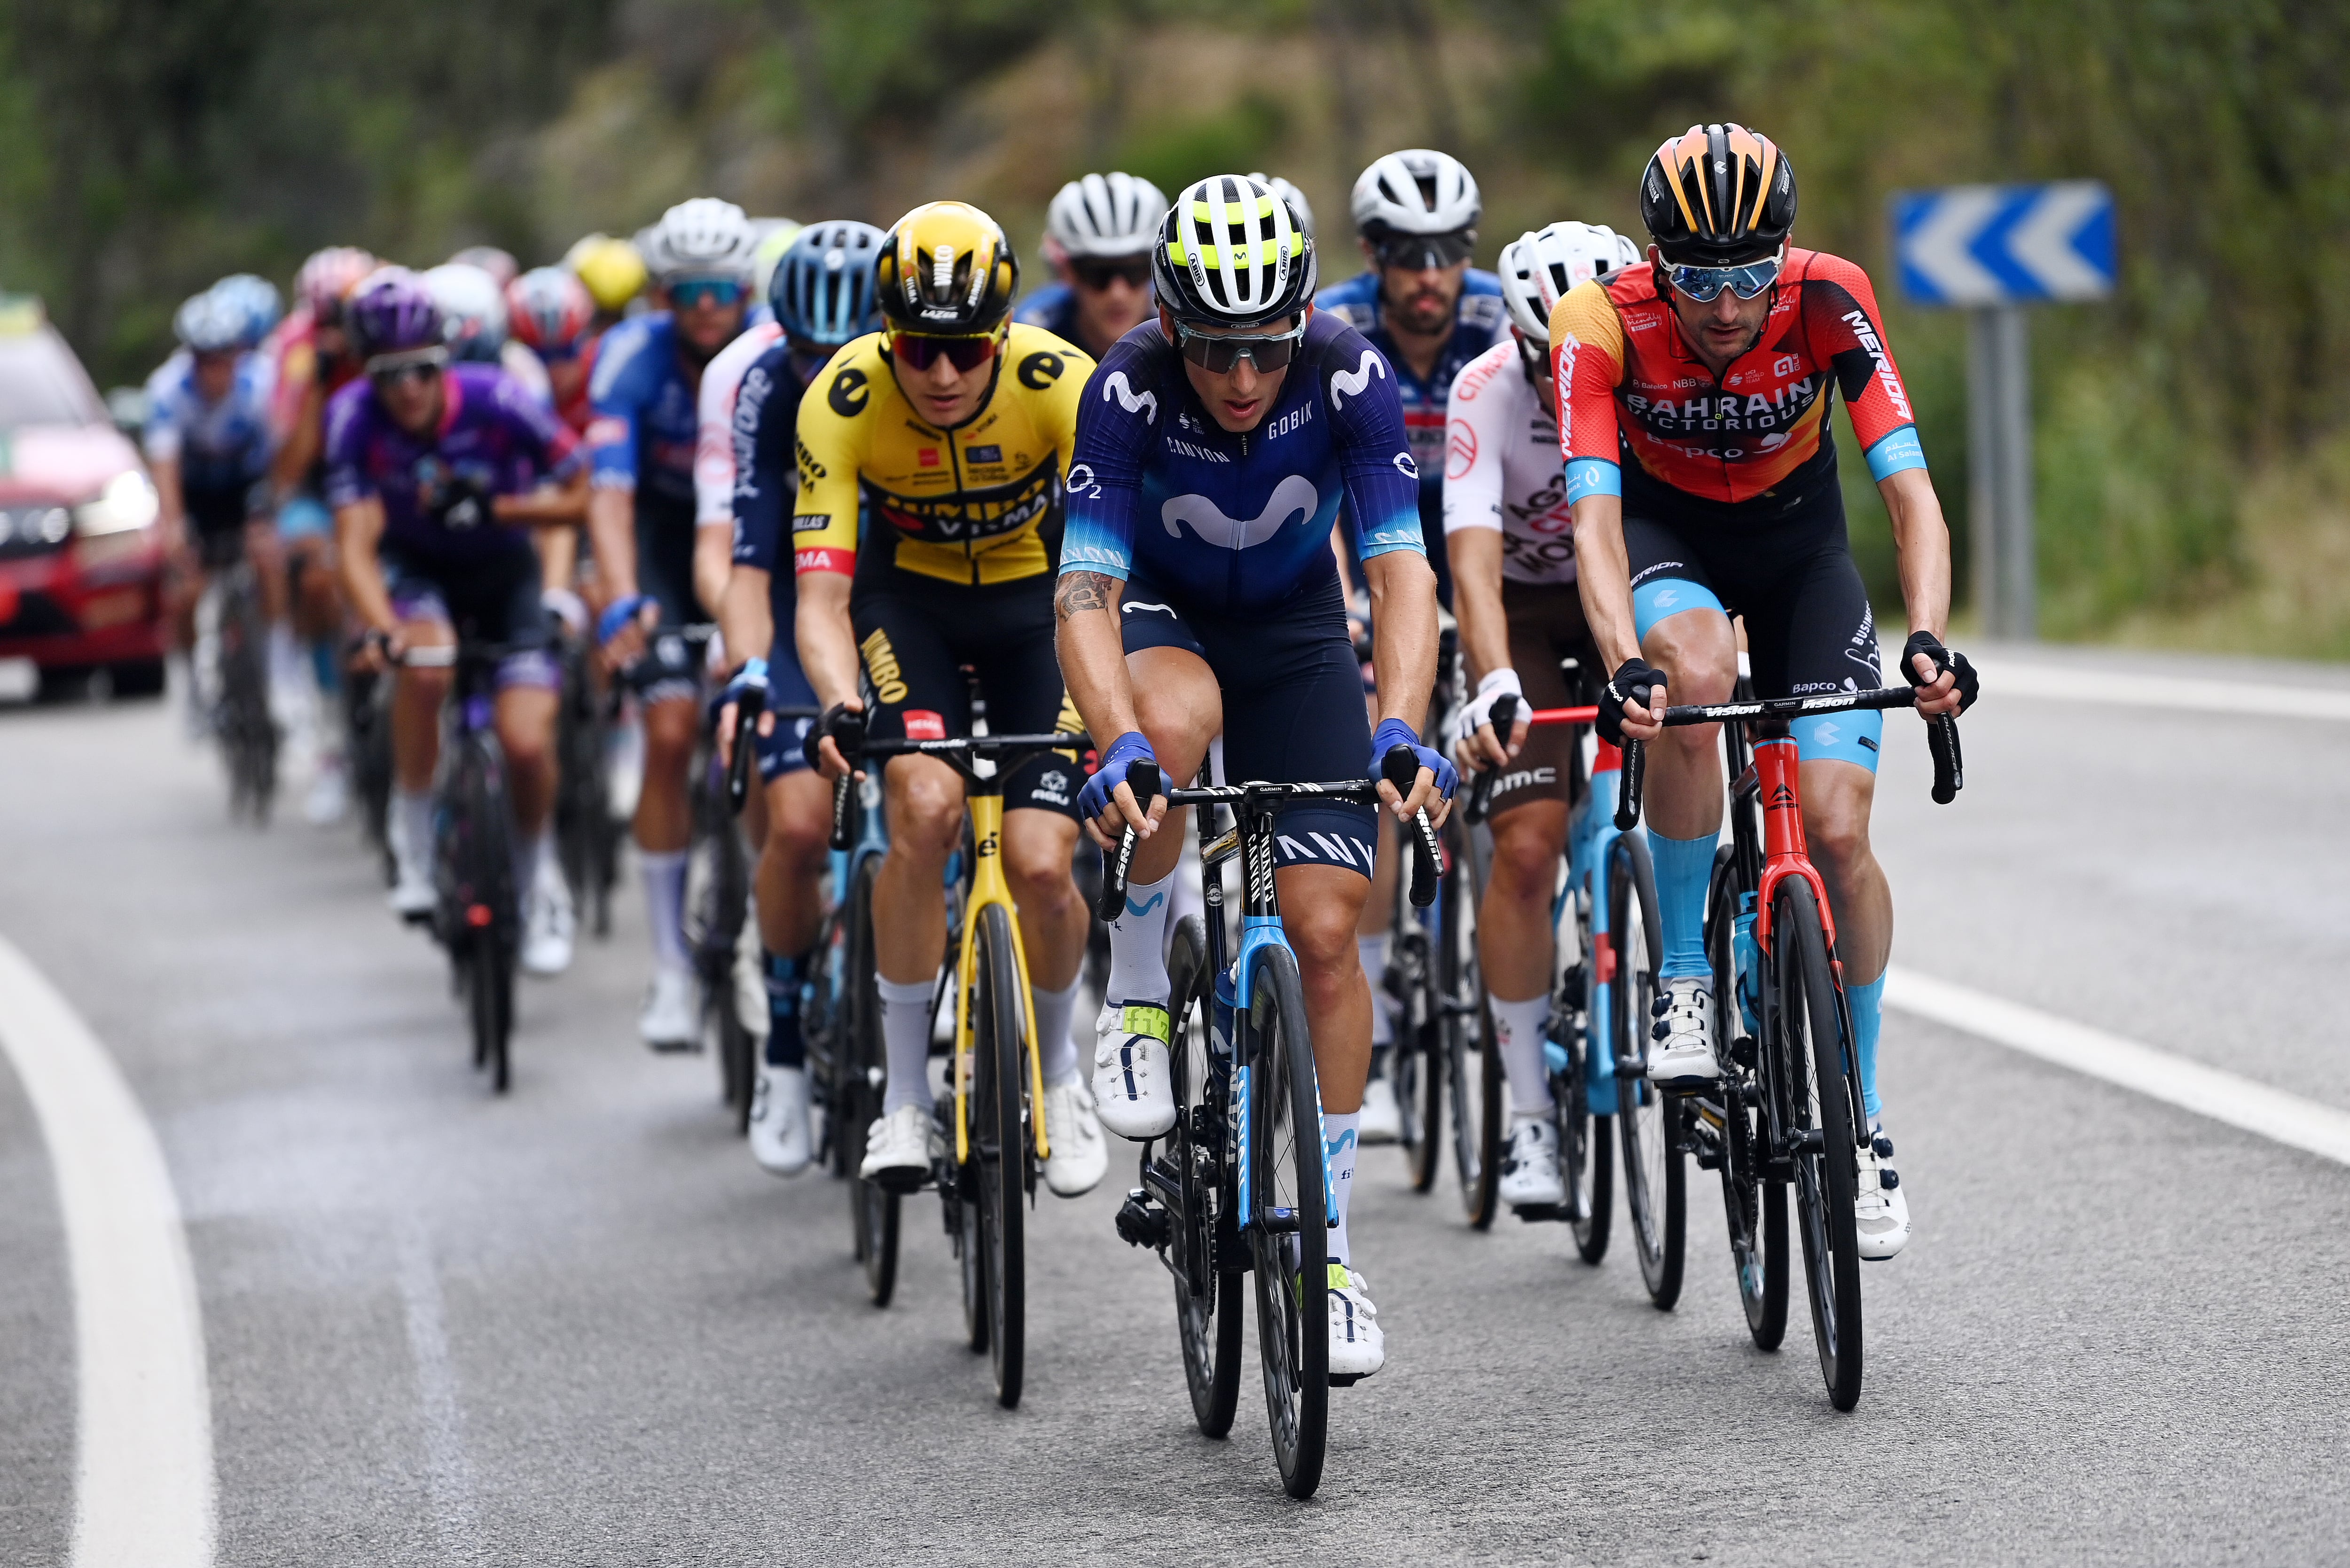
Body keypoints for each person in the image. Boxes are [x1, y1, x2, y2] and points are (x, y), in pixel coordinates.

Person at [1054, 174, 1455, 1380]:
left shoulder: (1346, 370)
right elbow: (1084, 589)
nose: (1241, 380)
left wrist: (1398, 722)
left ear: (1300, 323)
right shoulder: (1122, 385)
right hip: (1165, 616)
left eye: (1265, 349)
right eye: (1216, 351)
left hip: (1292, 628)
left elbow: (1402, 575)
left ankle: (1326, 1250)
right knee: (1172, 726)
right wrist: (1112, 730)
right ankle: (1132, 990)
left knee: (1328, 932)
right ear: (1173, 324)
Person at [1557, 123, 1976, 1260]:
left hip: (1802, 554)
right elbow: (1592, 520)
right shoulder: (1600, 320)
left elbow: (1910, 490)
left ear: (1783, 256)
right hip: (1667, 540)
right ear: (1657, 263)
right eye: (1699, 278)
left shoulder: (1830, 298)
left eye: (1751, 274)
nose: (1729, 304)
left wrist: (1928, 639)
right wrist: (1619, 663)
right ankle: (1686, 977)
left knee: (1839, 830)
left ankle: (1867, 1113)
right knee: (1695, 676)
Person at [795, 200, 1106, 1201]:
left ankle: (1060, 1074)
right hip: (909, 605)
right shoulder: (840, 399)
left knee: (1043, 862)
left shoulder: (1062, 385)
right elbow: (822, 596)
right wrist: (843, 702)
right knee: (922, 809)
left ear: (1002, 333)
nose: (940, 375)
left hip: (1040, 606)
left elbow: (1110, 571)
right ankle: (903, 1098)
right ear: (888, 335)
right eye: (918, 351)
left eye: (965, 351)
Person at [1444, 220, 1641, 1210]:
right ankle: (1528, 1120)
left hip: (1632, 592)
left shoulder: (1654, 373)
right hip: (1521, 609)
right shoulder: (1481, 388)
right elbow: (1472, 572)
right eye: (1543, 354)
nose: (1566, 376)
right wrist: (1491, 681)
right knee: (1525, 847)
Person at [1317, 148, 1507, 1140]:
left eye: (1445, 253)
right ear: (1374, 255)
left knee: (1499, 770)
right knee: (1377, 775)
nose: (1428, 275)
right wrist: (1351, 598)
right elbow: (1331, 478)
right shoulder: (1340, 325)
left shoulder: (1493, 315)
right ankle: (1383, 1033)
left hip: (1477, 546)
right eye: (1406, 255)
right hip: (1374, 548)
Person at [326, 273, 588, 979]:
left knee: (528, 745)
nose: (408, 389)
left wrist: (505, 513)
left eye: (422, 370)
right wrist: (382, 629)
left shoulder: (497, 398)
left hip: (505, 571)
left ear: (445, 360)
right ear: (366, 374)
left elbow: (582, 491)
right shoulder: (353, 417)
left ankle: (541, 885)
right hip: (417, 571)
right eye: (389, 375)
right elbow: (354, 543)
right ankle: (410, 832)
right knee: (426, 664)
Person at [703, 220, 883, 1175]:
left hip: (896, 597)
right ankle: (780, 1041)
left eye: (847, 352)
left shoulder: (922, 379)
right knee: (804, 826)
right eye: (810, 352)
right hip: (792, 592)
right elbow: (747, 559)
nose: (827, 373)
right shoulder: (765, 388)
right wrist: (746, 668)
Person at [587, 197, 760, 1048]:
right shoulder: (628, 362)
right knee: (666, 729)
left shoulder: (774, 345)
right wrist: (621, 596)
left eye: (719, 288)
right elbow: (610, 499)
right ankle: (668, 963)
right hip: (662, 547)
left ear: (746, 287)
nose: (703, 306)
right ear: (662, 295)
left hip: (753, 540)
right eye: (686, 291)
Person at [266, 247, 377, 823]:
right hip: (318, 485)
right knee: (312, 574)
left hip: (379, 480)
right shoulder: (297, 350)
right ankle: (332, 740)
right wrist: (320, 381)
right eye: (327, 320)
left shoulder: (387, 333)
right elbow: (289, 464)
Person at [147, 287, 284, 735]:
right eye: (204, 359)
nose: (214, 370)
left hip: (246, 485)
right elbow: (165, 470)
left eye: (223, 357)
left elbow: (277, 460)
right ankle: (194, 686)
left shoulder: (262, 383)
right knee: (186, 589)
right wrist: (175, 528)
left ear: (238, 353)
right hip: (197, 491)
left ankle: (281, 677)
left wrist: (266, 518)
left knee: (268, 560)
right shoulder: (168, 390)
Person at [1014, 172, 1167, 360]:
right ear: (1067, 272)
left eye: (1135, 271)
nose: (1118, 293)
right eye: (1098, 273)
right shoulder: (1032, 333)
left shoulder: (1184, 327)